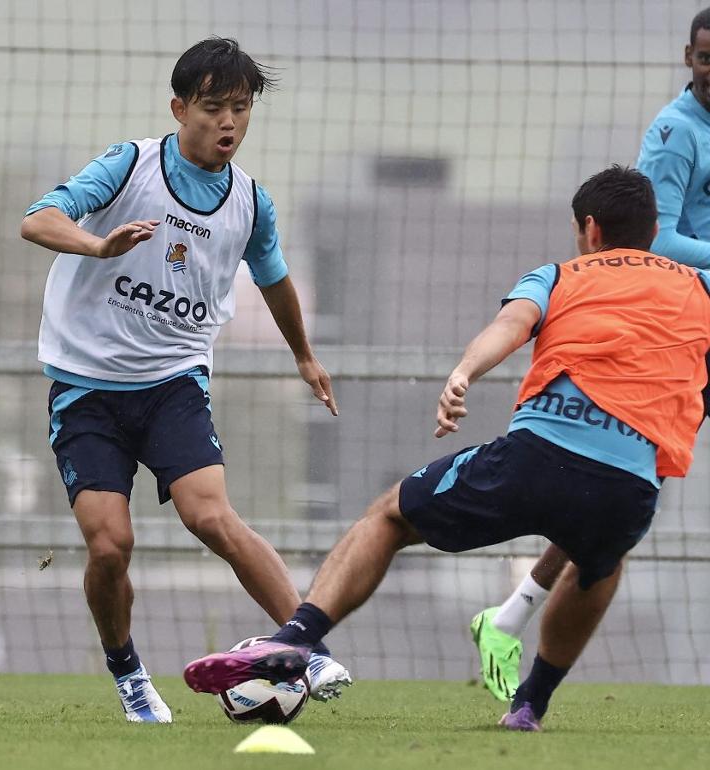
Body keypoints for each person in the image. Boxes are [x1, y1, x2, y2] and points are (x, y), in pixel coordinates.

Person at [183, 166, 710, 732]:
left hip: (537, 459)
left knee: (389, 515)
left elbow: (510, 325)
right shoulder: (699, 287)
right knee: (600, 564)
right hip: (629, 486)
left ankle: (297, 638)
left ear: (590, 230)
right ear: (655, 231)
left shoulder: (561, 276)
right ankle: (530, 704)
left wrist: (464, 373)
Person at [20, 36, 350, 723]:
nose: (229, 122)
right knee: (111, 545)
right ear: (179, 108)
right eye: (213, 107)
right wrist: (96, 243)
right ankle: (129, 673)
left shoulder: (251, 203)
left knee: (211, 516)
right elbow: (38, 219)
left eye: (241, 107)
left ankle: (306, 645)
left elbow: (275, 279)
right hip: (86, 386)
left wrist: (304, 356)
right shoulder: (129, 165)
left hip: (173, 381)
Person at [469, 6, 710, 703]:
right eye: (702, 56)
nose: (708, 68)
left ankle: (509, 617)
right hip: (679, 322)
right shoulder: (675, 133)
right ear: (687, 56)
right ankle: (512, 626)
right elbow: (650, 245)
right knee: (624, 485)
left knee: (626, 489)